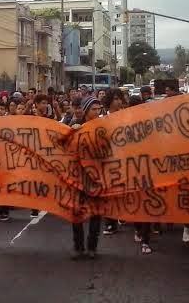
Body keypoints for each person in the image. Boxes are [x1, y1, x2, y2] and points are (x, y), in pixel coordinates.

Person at [69, 97, 103, 259]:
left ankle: (92, 247)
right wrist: (72, 132)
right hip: (78, 176)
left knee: (95, 212)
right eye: (93, 109)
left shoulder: (104, 126)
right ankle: (78, 247)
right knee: (76, 212)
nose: (97, 112)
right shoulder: (76, 126)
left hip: (97, 177)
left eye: (99, 109)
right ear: (86, 111)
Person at [102, 88, 124, 235]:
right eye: (115, 99)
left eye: (120, 98)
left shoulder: (128, 116)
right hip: (107, 160)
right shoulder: (101, 118)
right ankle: (110, 222)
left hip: (124, 159)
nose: (119, 102)